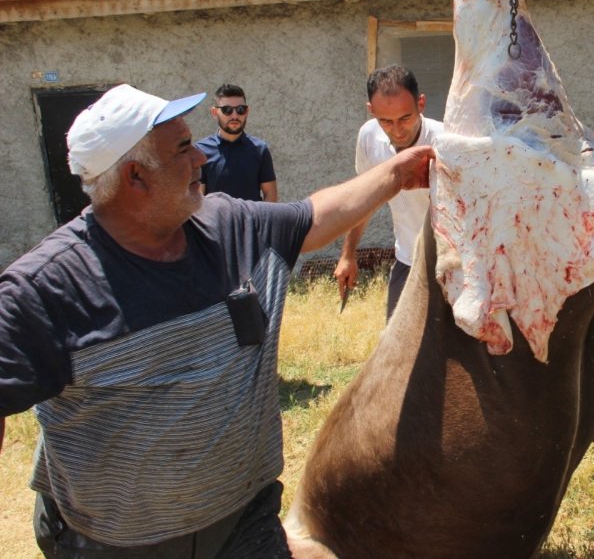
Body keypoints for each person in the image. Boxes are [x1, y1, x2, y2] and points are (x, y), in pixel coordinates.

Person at [0, 83, 434, 557]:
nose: (200, 159)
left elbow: (313, 217)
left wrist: (397, 172)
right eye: (183, 149)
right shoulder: (44, 290)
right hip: (116, 545)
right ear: (136, 177)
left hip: (245, 525)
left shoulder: (227, 224)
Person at [334, 64, 444, 319]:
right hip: (407, 260)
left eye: (405, 118)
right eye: (385, 121)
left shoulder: (445, 141)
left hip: (453, 266)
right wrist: (348, 254)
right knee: (398, 350)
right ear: (371, 111)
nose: (397, 130)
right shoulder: (369, 138)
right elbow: (365, 199)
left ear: (421, 104)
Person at [197, 83, 278, 201]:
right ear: (214, 113)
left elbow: (270, 195)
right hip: (215, 220)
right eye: (227, 110)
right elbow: (198, 199)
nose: (234, 116)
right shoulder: (201, 151)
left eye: (240, 109)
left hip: (252, 220)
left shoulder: (260, 149)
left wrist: (265, 220)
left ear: (247, 111)